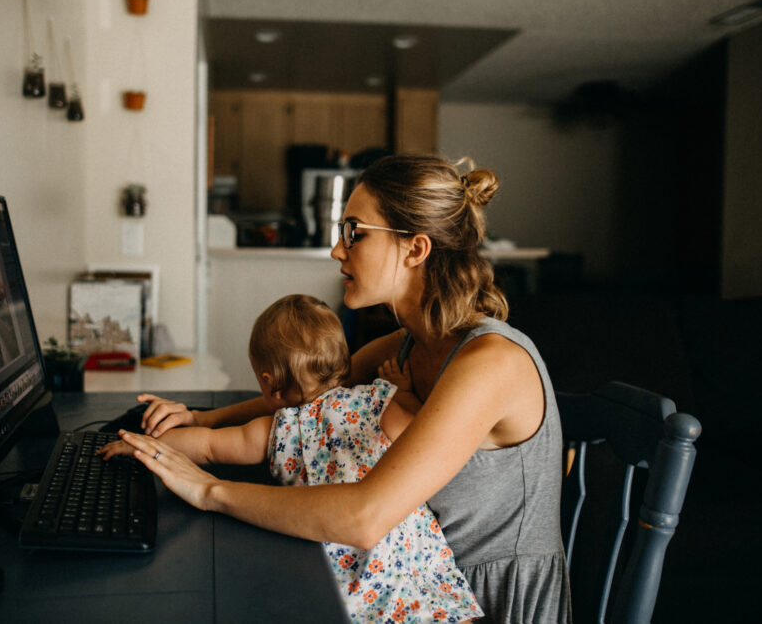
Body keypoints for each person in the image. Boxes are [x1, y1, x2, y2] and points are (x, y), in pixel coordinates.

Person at [116, 154, 572, 623]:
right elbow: (313, 400)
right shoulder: (409, 342)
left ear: (415, 249)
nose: (338, 249)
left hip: (477, 601)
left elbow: (364, 517)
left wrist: (210, 491)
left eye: (354, 231)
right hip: (406, 582)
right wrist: (202, 419)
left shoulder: (489, 363)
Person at [99, 294, 483, 623]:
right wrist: (404, 390)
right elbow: (417, 424)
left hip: (349, 581)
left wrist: (142, 445)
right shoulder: (382, 402)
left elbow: (208, 446)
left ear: (269, 383)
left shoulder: (278, 430)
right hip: (414, 569)